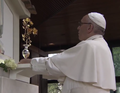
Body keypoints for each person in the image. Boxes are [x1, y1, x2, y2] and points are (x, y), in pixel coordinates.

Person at [19, 12, 116, 93]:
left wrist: (30, 62)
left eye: (80, 24)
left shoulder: (89, 46)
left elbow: (55, 64)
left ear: (89, 27)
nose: (78, 28)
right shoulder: (103, 47)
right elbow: (66, 69)